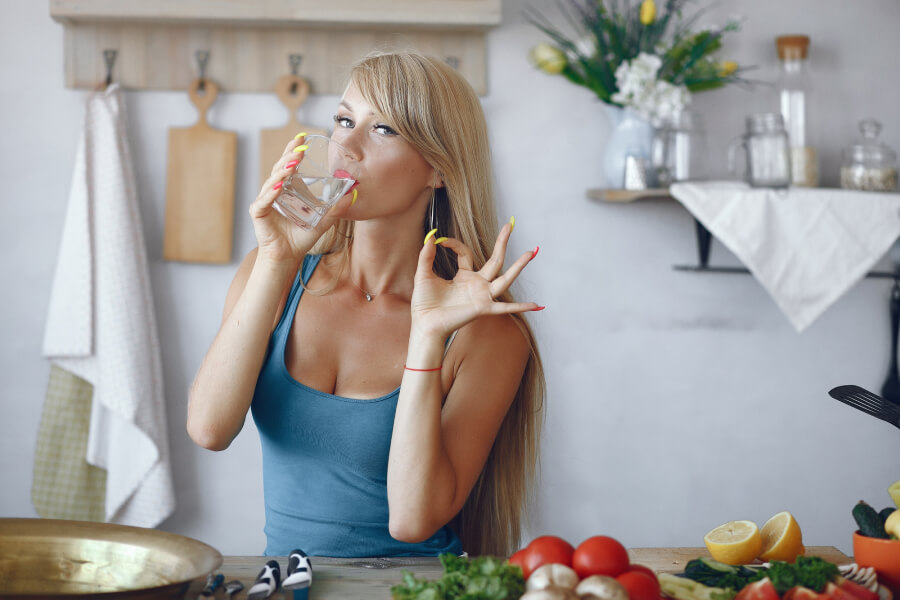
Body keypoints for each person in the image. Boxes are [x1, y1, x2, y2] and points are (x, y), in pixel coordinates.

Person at [187, 51, 546, 558]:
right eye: (343, 120)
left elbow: (411, 520)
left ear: (438, 170)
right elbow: (208, 428)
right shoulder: (270, 273)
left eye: (383, 131)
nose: (345, 146)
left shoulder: (483, 333)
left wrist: (427, 335)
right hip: (291, 588)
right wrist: (276, 258)